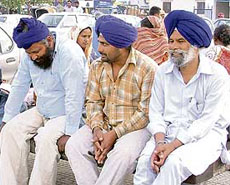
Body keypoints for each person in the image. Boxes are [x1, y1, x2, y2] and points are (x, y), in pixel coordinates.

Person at [134, 10, 230, 185]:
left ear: (195, 45)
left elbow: (206, 122)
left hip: (206, 138)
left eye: (180, 41)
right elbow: (155, 112)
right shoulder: (163, 71)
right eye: (171, 41)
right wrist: (161, 142)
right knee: (144, 165)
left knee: (172, 164)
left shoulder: (217, 75)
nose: (173, 47)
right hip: (166, 135)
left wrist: (171, 147)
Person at [65, 15, 158, 185]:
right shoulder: (97, 66)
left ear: (121, 46)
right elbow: (93, 102)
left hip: (136, 128)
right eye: (99, 42)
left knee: (122, 155)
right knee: (74, 146)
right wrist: (97, 130)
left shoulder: (148, 68)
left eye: (104, 44)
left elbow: (145, 113)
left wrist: (114, 135)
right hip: (104, 124)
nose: (99, 48)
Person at [0, 18, 87, 185]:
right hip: (43, 109)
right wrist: (7, 118)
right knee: (10, 131)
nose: (33, 57)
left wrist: (70, 133)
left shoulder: (70, 54)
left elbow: (74, 96)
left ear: (49, 40)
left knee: (45, 138)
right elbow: (19, 85)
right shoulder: (30, 55)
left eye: (36, 52)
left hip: (69, 114)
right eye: (29, 53)